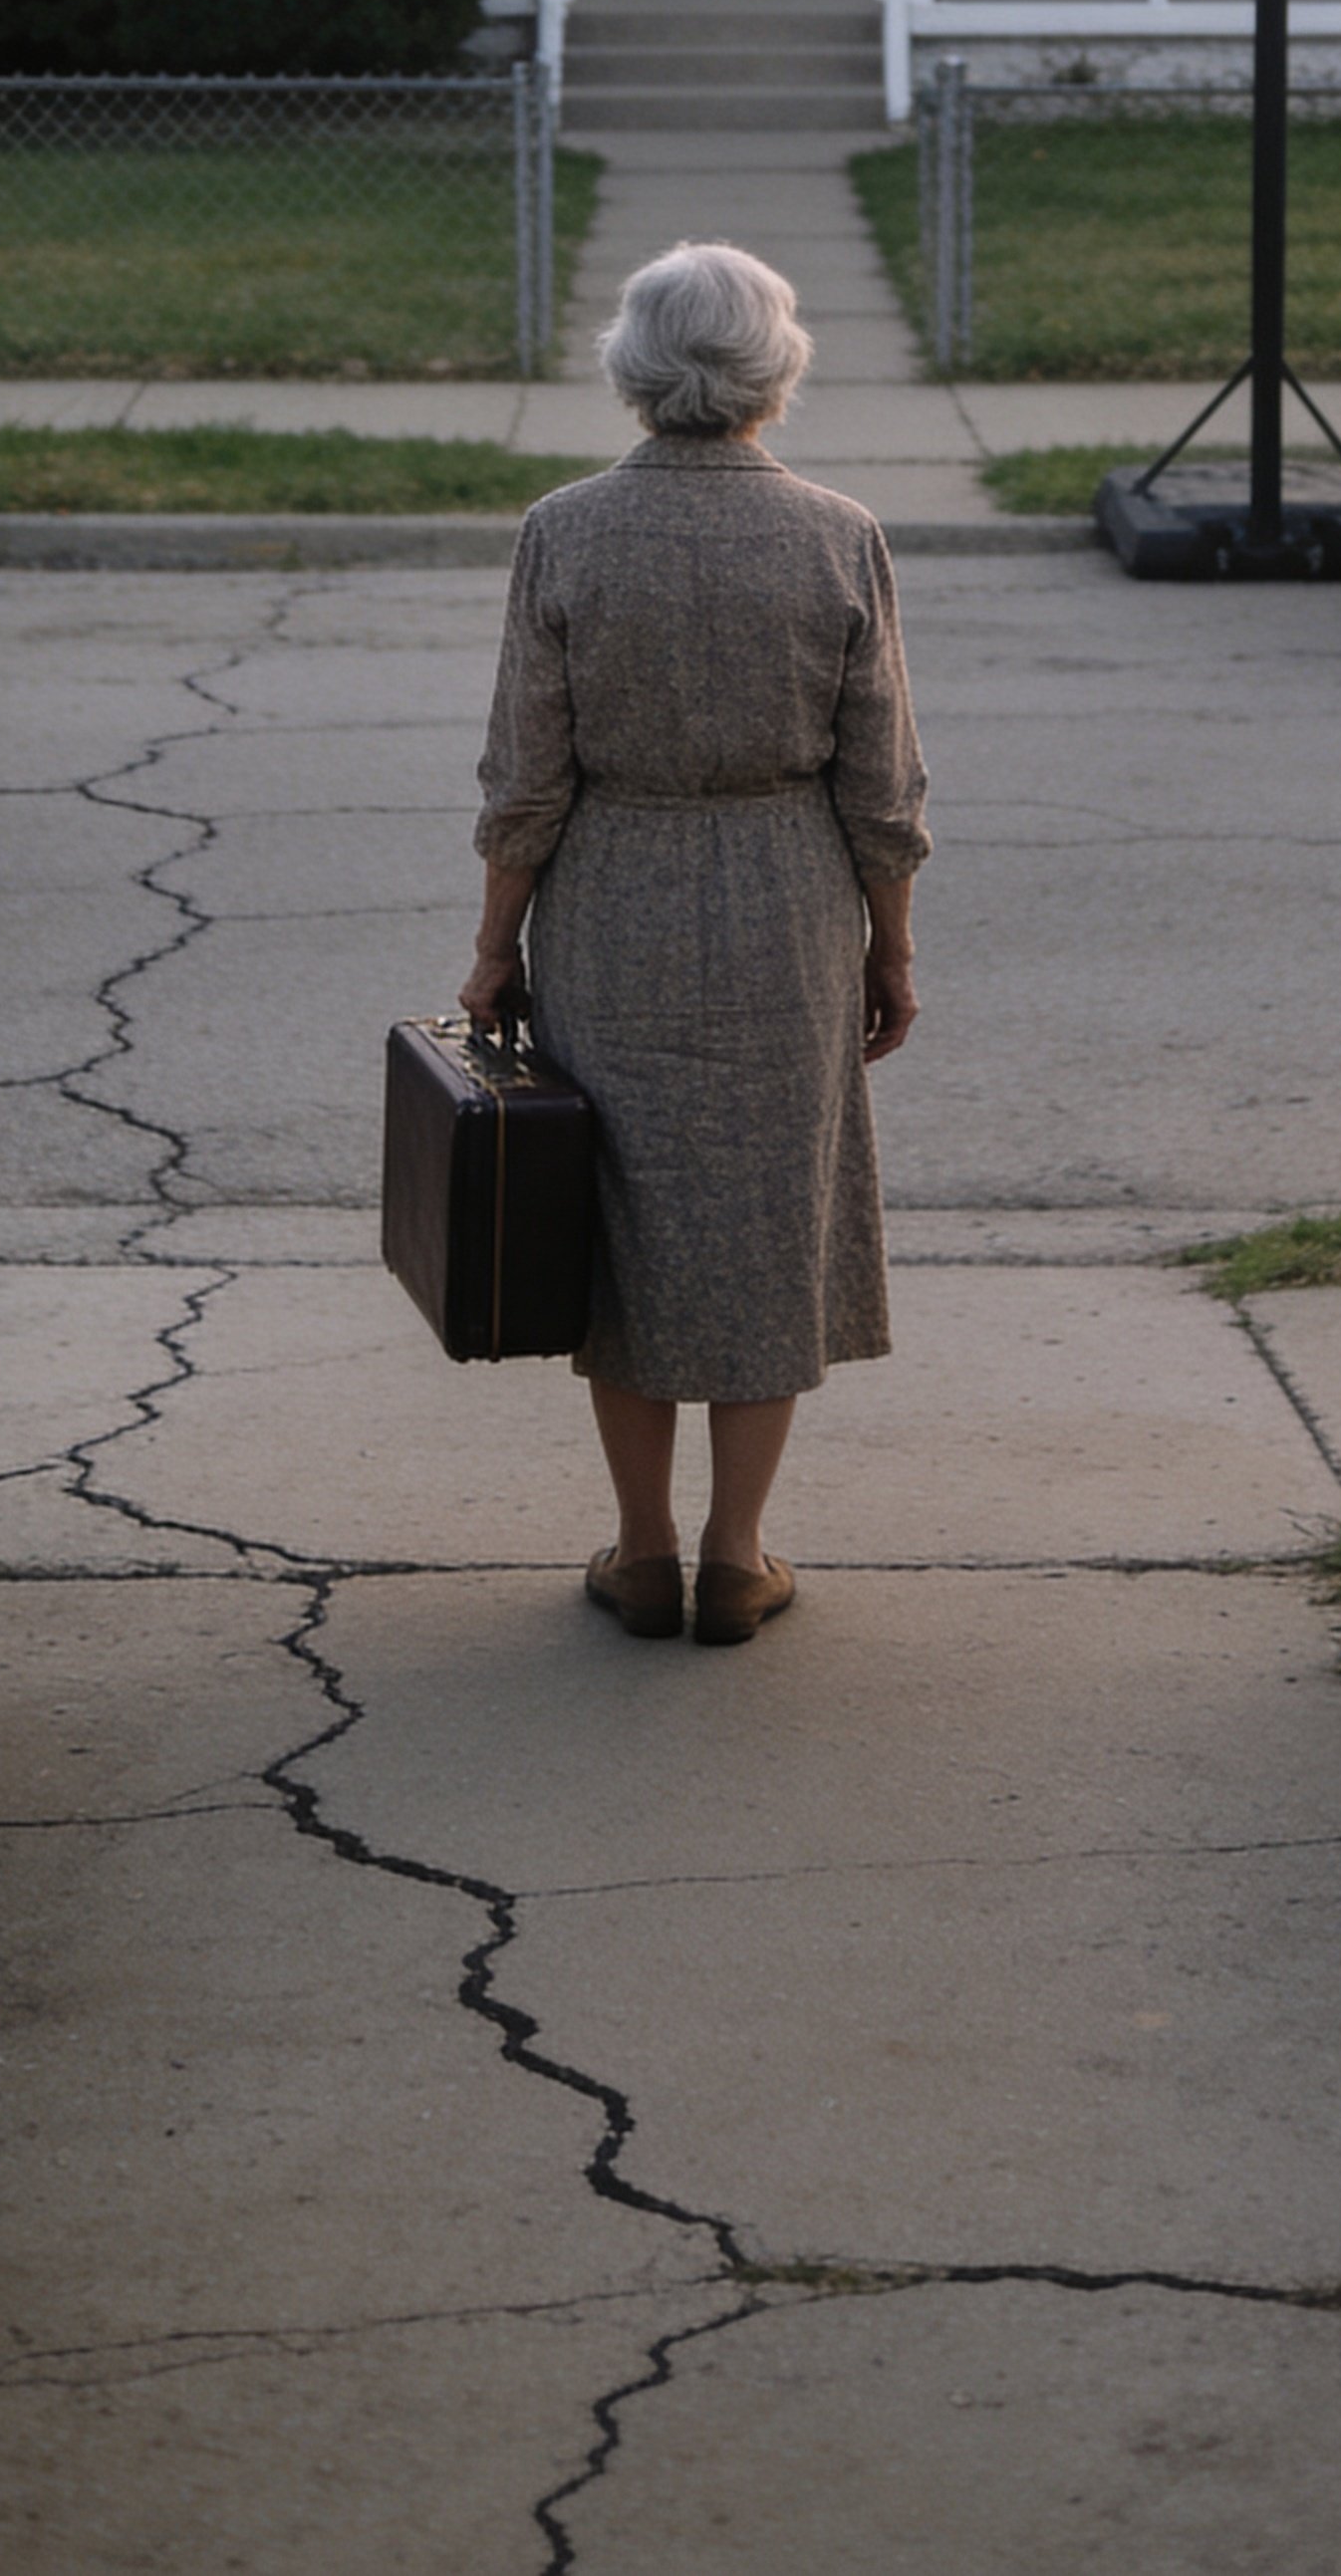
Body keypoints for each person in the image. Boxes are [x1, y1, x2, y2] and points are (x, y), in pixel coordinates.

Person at [463, 237, 928, 1650]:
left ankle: (643, 1547)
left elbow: (524, 778)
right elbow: (883, 786)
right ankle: (739, 1554)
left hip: (613, 898)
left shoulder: (565, 530)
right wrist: (889, 948)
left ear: (636, 365)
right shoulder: (838, 533)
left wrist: (493, 946)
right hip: (791, 902)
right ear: (773, 367)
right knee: (765, 1224)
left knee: (626, 1224)